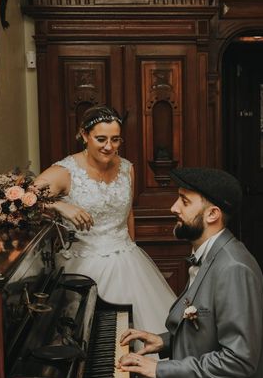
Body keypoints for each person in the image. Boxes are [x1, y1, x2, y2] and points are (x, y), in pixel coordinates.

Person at [118, 167, 263, 378]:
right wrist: (163, 341)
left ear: (212, 215)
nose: (173, 207)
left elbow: (239, 360)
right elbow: (209, 329)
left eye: (184, 201)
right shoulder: (210, 253)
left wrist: (160, 369)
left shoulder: (234, 268)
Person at [34, 105, 174, 334]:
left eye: (116, 140)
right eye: (101, 139)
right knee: (90, 333)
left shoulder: (127, 168)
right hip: (83, 264)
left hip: (128, 261)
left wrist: (132, 245)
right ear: (84, 135)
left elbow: (128, 212)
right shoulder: (65, 171)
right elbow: (23, 200)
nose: (109, 147)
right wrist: (60, 205)